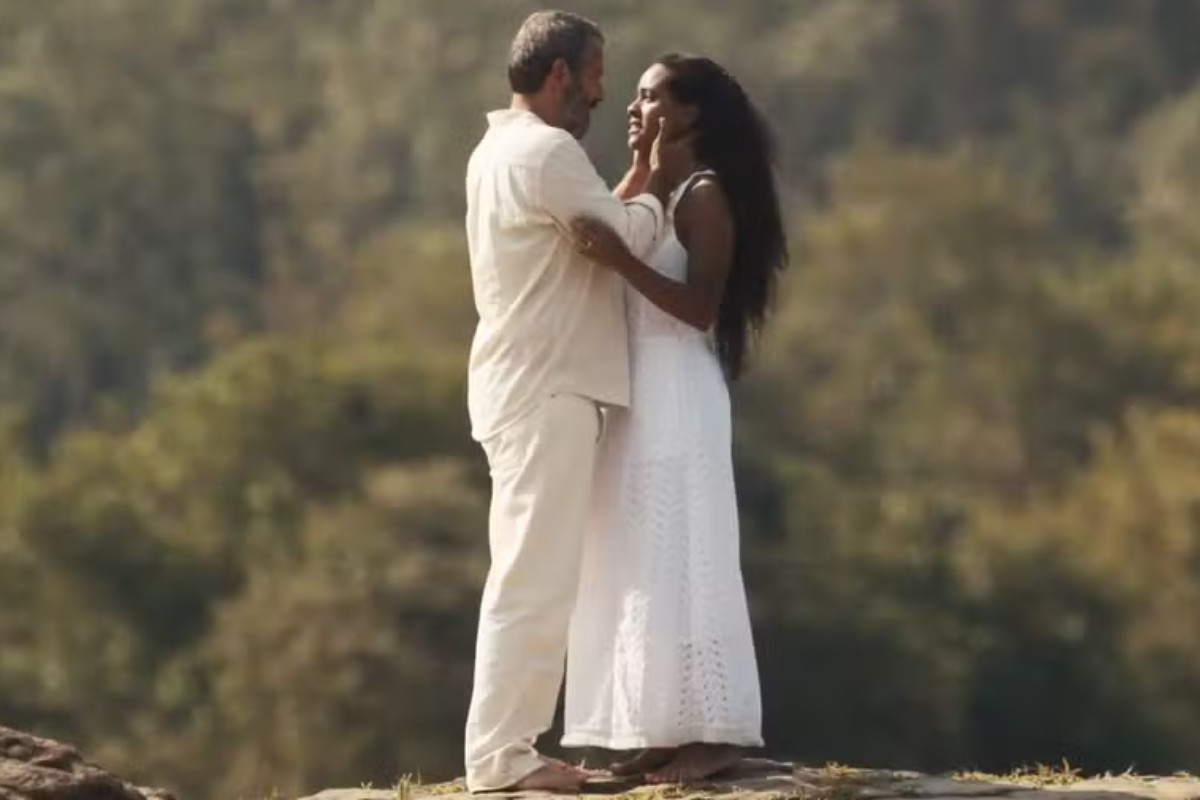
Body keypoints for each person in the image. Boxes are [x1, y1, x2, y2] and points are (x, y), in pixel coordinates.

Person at [461, 11, 690, 794]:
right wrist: (656, 179)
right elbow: (620, 235)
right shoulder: (547, 150)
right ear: (560, 74)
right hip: (545, 386)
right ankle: (501, 760)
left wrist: (629, 184)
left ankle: (510, 751)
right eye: (594, 74)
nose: (600, 90)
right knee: (533, 579)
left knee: (534, 574)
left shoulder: (501, 148)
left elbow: (589, 224)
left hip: (528, 383)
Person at [562, 54, 789, 784]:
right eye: (633, 95)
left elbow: (699, 310)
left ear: (692, 113)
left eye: (652, 96)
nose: (636, 104)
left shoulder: (705, 195)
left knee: (689, 555)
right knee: (643, 562)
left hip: (680, 395)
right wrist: (638, 165)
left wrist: (623, 266)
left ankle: (714, 730)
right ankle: (659, 725)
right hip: (639, 401)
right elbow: (610, 221)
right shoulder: (661, 184)